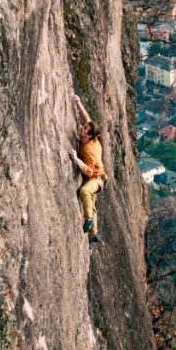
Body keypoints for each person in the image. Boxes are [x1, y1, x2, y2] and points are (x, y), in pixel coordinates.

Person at [68, 93, 106, 243]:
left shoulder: (90, 149)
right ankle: (93, 234)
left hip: (96, 178)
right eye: (83, 127)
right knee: (91, 202)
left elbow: (90, 171)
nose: (81, 127)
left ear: (89, 136)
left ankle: (88, 219)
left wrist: (76, 159)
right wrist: (78, 103)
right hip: (97, 177)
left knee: (85, 192)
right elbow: (88, 119)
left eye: (84, 129)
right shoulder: (91, 136)